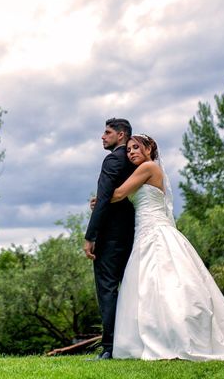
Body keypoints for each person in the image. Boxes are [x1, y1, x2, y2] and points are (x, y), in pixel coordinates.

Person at [106, 134, 224, 360]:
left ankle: (177, 336)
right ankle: (160, 335)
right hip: (144, 231)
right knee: (152, 284)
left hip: (155, 232)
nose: (131, 152)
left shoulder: (148, 167)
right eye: (128, 150)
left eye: (136, 147)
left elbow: (118, 194)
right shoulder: (144, 170)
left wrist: (99, 199)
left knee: (164, 284)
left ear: (149, 148)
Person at [84, 118, 137, 360]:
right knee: (130, 289)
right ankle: (129, 341)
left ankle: (109, 348)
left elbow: (105, 197)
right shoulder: (135, 162)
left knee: (107, 290)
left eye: (107, 133)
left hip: (111, 237)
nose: (102, 137)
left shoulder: (113, 159)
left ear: (121, 135)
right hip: (133, 233)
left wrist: (90, 236)